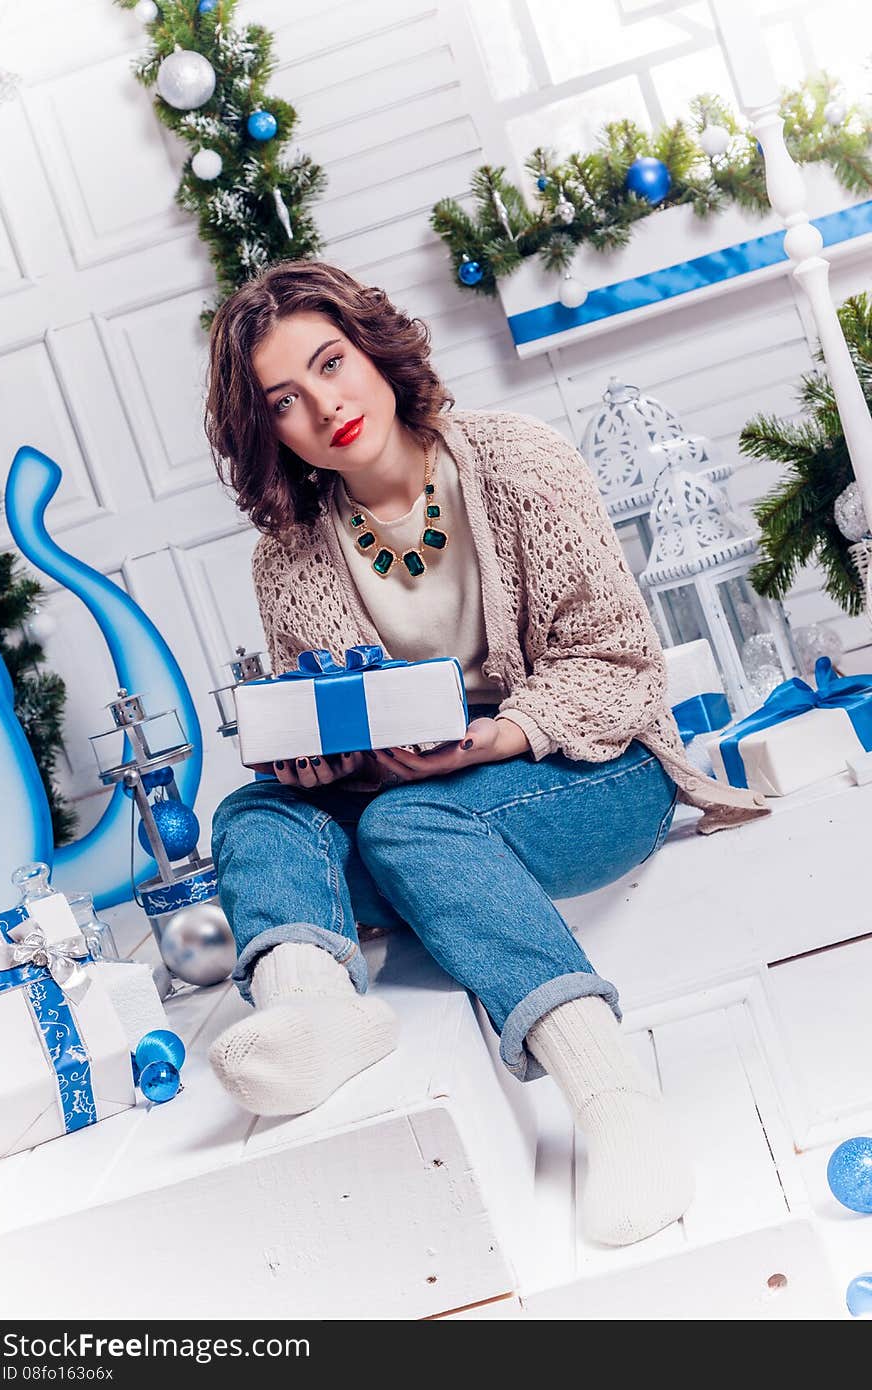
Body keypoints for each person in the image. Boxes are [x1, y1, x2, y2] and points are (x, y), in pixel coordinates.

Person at [203, 259, 769, 1248]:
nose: (324, 405)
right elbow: (348, 725)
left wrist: (501, 734)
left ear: (372, 347)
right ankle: (313, 1003)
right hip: (419, 801)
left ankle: (614, 1101)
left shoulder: (519, 464)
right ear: (268, 433)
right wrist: (321, 761)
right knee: (253, 813)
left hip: (593, 767)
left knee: (408, 821)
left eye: (330, 363)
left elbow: (620, 661)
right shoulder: (286, 552)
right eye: (284, 402)